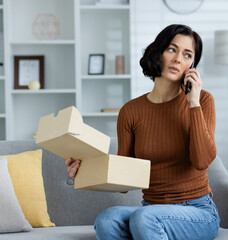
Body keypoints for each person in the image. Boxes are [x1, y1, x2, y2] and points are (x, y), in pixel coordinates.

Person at [65, 24, 219, 240]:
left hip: (197, 212)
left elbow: (202, 161)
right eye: (172, 50)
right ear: (158, 53)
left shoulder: (202, 101)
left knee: (144, 218)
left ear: (191, 66)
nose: (178, 59)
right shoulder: (131, 111)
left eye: (187, 55)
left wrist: (193, 104)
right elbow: (124, 179)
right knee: (107, 219)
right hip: (151, 209)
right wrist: (85, 167)